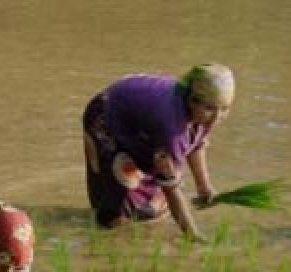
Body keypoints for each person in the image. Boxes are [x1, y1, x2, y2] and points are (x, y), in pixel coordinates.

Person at [82, 63, 235, 239]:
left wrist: (204, 186)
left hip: (139, 121)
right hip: (107, 115)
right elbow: (170, 187)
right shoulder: (171, 126)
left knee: (152, 209)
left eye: (224, 109)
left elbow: (196, 144)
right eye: (210, 109)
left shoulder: (202, 115)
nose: (217, 118)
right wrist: (192, 234)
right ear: (192, 100)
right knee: (117, 213)